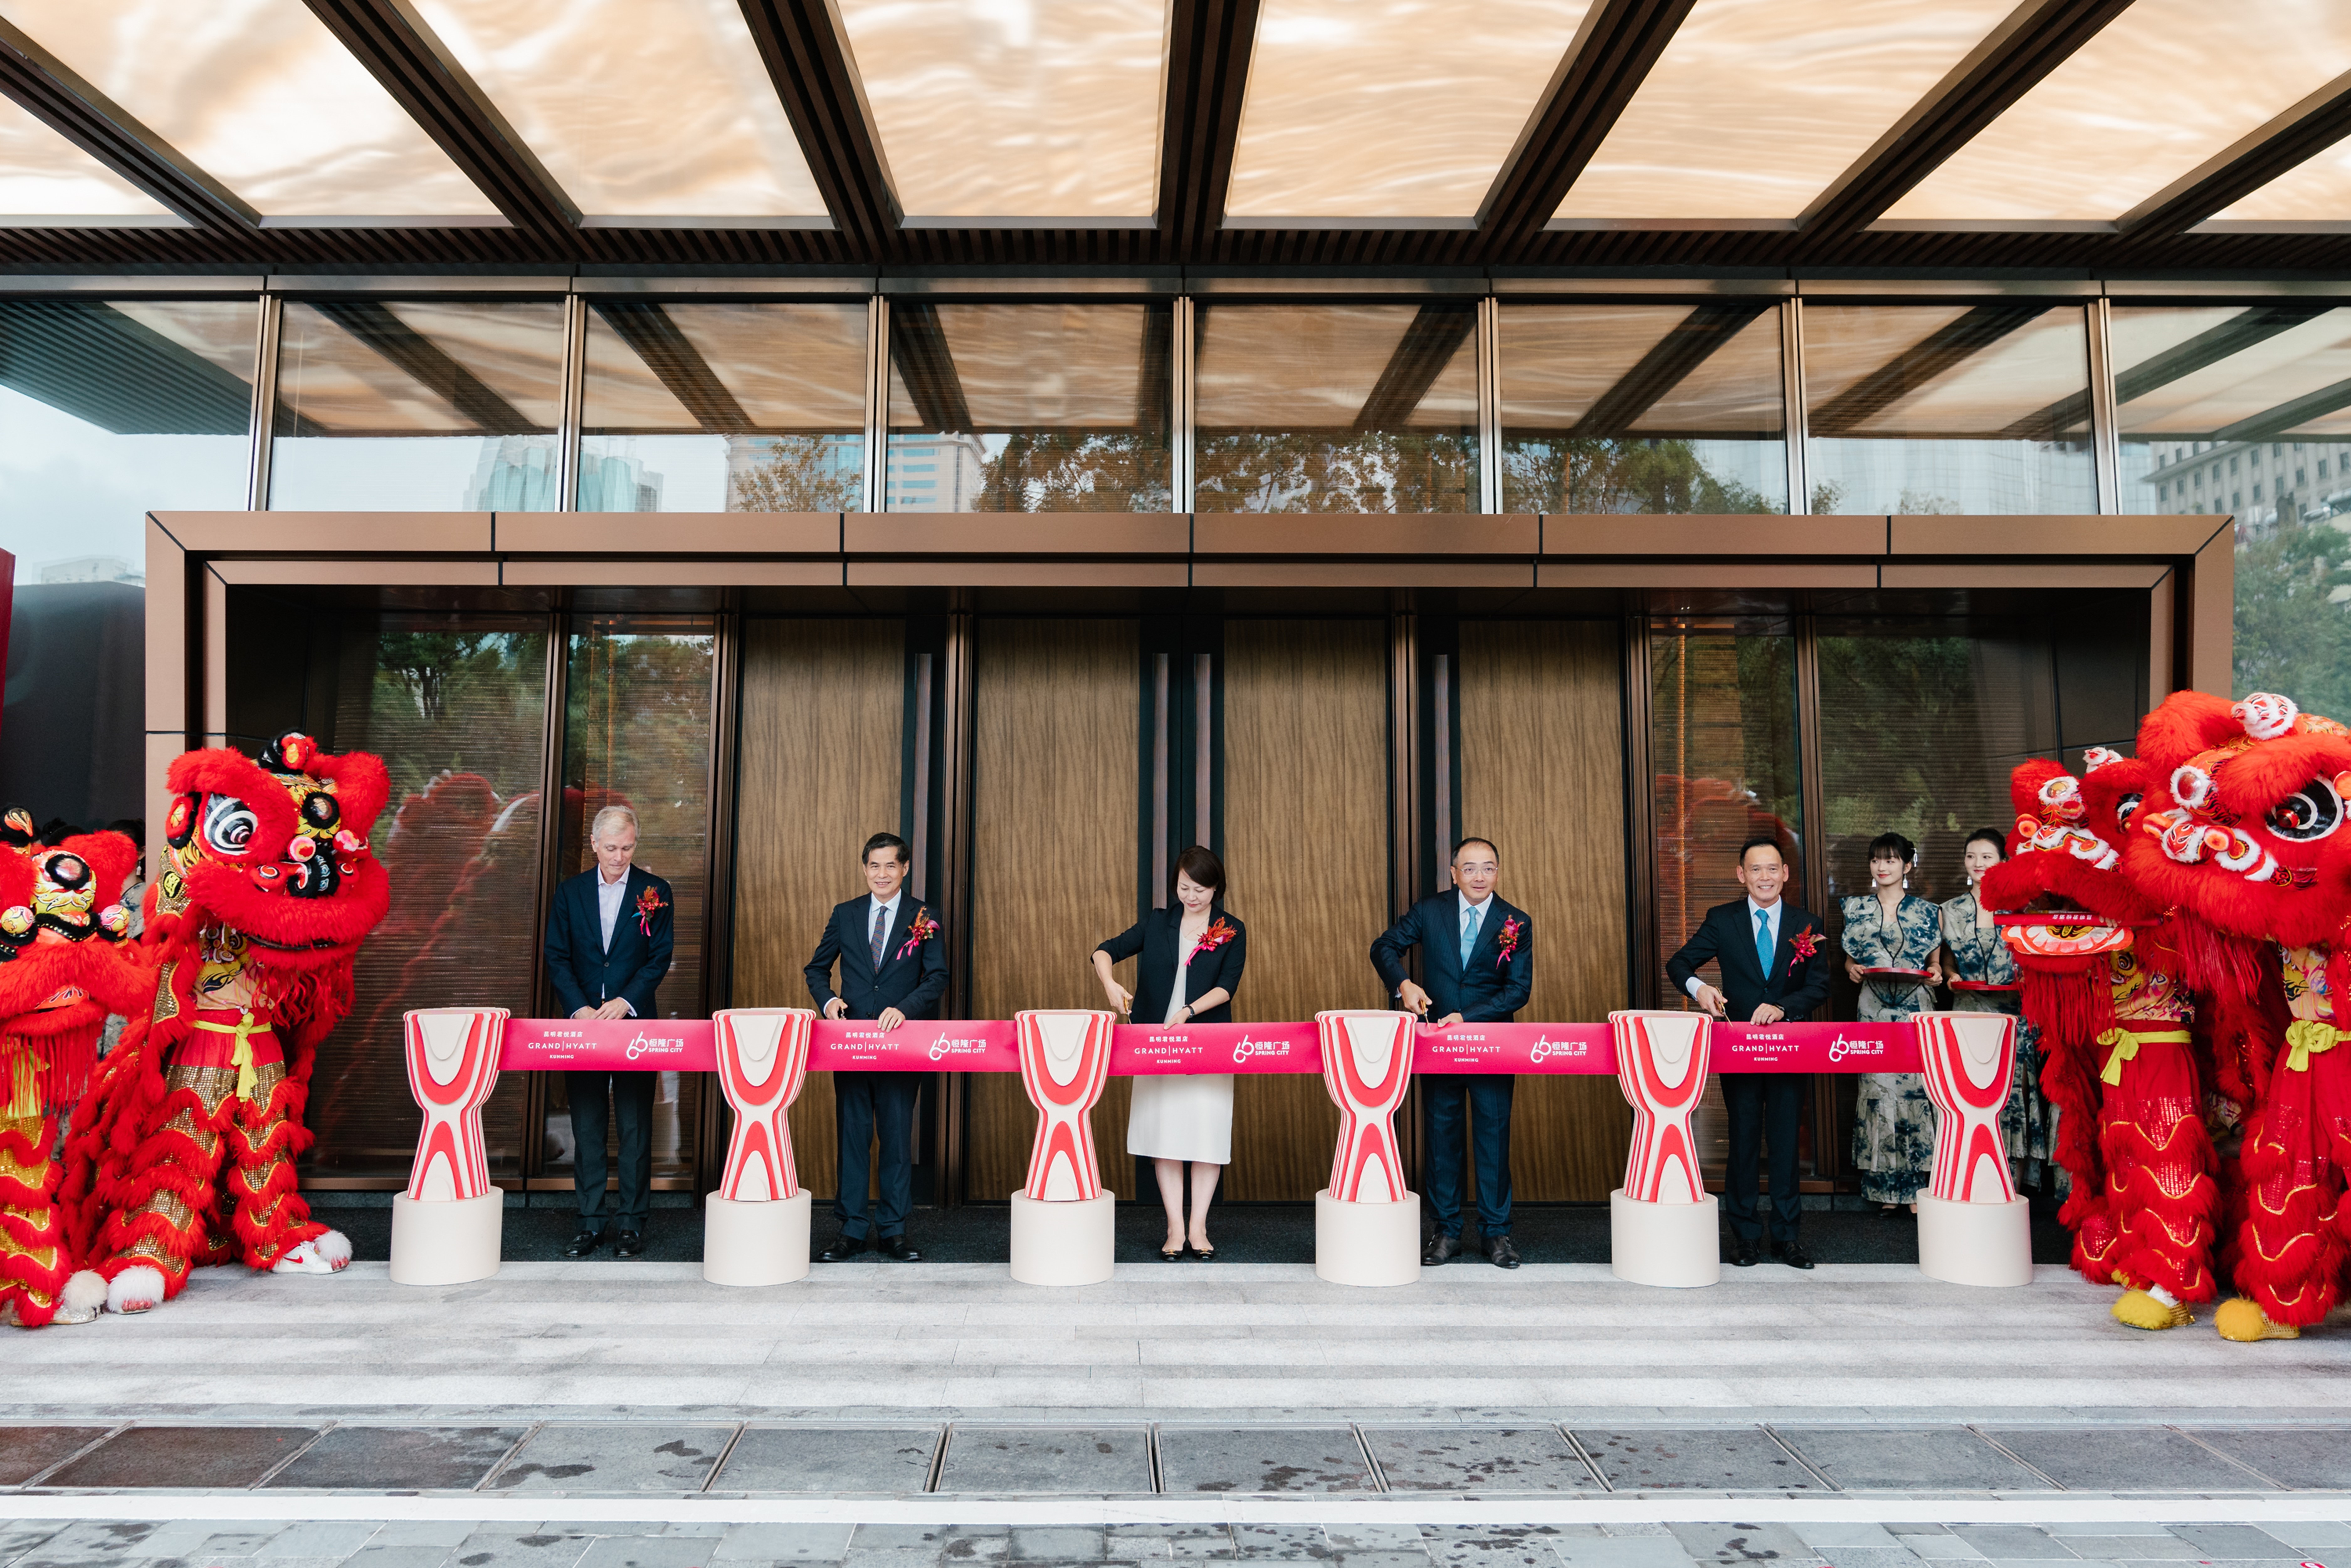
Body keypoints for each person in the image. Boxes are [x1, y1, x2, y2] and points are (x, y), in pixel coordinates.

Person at [1666, 835, 1832, 1269]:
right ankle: (1744, 1236)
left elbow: (1819, 985)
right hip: (1739, 1049)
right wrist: (1700, 990)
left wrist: (1783, 1006)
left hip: (1790, 1049)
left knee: (1784, 1142)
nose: (1765, 876)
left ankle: (1788, 1236)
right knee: (1742, 1140)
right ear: (1742, 875)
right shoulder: (1723, 920)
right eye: (1756, 869)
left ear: (1785, 873)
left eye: (1773, 868)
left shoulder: (1806, 924)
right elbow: (1678, 964)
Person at [1369, 837, 1532, 1268]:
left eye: (1489, 868)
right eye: (1471, 868)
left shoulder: (1514, 921)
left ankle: (1497, 1234)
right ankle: (1446, 1231)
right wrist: (1403, 984)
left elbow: (1519, 990)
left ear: (1498, 872)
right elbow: (1382, 946)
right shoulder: (1430, 910)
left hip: (1492, 1045)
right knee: (1442, 1137)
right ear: (1454, 873)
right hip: (1438, 1043)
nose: (1480, 876)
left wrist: (1469, 1015)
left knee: (1493, 1136)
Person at [1092, 846, 1248, 1261]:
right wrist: (1110, 982)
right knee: (1165, 1136)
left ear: (1216, 887)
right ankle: (1175, 1229)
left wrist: (1189, 1010)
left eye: (1199, 888)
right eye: (1184, 887)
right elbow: (1105, 950)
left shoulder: (1231, 928)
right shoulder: (1159, 922)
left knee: (1205, 1135)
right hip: (1156, 1045)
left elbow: (1227, 986)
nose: (1191, 895)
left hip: (1207, 1042)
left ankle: (1199, 1226)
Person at [805, 831, 947, 1262]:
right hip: (851, 1043)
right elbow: (816, 968)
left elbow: (936, 976)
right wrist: (829, 1002)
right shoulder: (845, 914)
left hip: (901, 1044)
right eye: (874, 865)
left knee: (897, 1136)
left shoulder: (924, 914)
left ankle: (893, 1229)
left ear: (904, 869)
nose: (881, 874)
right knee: (853, 1134)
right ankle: (850, 1229)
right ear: (864, 868)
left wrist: (904, 1008)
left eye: (890, 866)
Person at [543, 804, 674, 1261]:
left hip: (634, 1022)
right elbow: (557, 955)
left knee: (636, 1126)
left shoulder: (655, 891)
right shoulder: (571, 892)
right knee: (589, 1124)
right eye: (613, 847)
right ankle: (591, 1221)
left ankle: (633, 1223)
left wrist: (625, 1001)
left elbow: (659, 957)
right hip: (584, 1026)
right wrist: (579, 1007)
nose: (620, 856)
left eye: (629, 846)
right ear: (595, 844)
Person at [1940, 826, 2051, 1192]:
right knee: (1971, 1094)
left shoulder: (2023, 908)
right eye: (1971, 856)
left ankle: (2013, 1188)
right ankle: (1973, 1184)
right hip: (1968, 1012)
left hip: (2015, 1017)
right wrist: (1951, 975)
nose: (1978, 863)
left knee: (2013, 1095)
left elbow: (2040, 958)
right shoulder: (1949, 910)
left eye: (1987, 857)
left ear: (2003, 862)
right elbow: (1943, 962)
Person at [1842, 831, 1944, 1214]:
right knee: (1876, 1090)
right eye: (1876, 860)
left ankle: (1920, 1188)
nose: (1882, 867)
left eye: (1890, 859)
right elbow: (1849, 960)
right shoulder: (1855, 907)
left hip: (1916, 1006)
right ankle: (1884, 1188)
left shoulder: (1930, 911)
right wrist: (1852, 969)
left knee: (1919, 1091)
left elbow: (1935, 961)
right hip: (1873, 1006)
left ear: (1907, 864)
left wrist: (1935, 973)